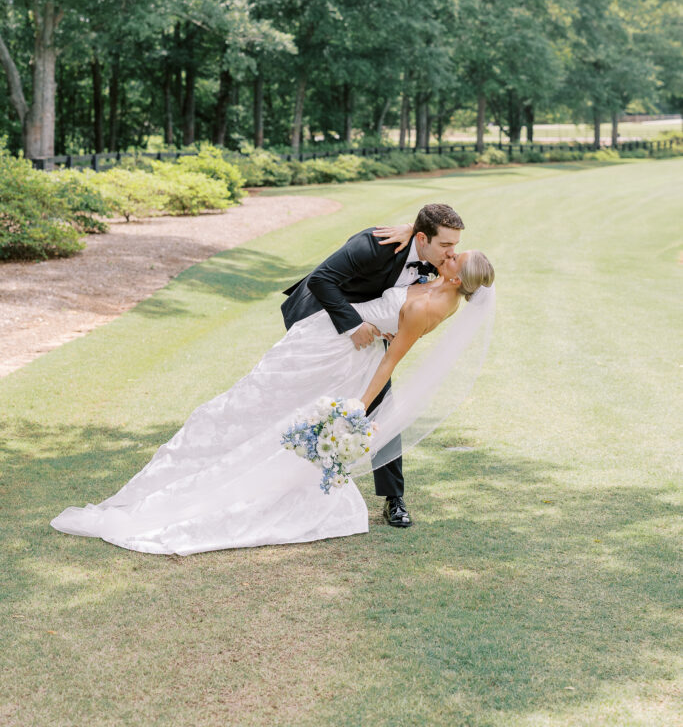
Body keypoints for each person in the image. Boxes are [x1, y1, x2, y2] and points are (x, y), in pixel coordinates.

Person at [50, 241, 494, 556]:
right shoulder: (429, 273)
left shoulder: (429, 304)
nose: (451, 253)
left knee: (351, 410)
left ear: (457, 275)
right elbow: (357, 270)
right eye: (450, 247)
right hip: (332, 336)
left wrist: (359, 403)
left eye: (457, 255)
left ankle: (387, 496)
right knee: (263, 397)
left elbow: (391, 359)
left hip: (359, 356)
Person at [282, 203, 465, 528]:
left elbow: (465, 278)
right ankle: (283, 479)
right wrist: (354, 326)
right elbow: (321, 280)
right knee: (299, 399)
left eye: (455, 245)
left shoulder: (439, 261)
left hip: (373, 336)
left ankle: (394, 498)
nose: (452, 253)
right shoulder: (374, 244)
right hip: (324, 321)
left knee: (382, 406)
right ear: (423, 238)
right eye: (446, 245)